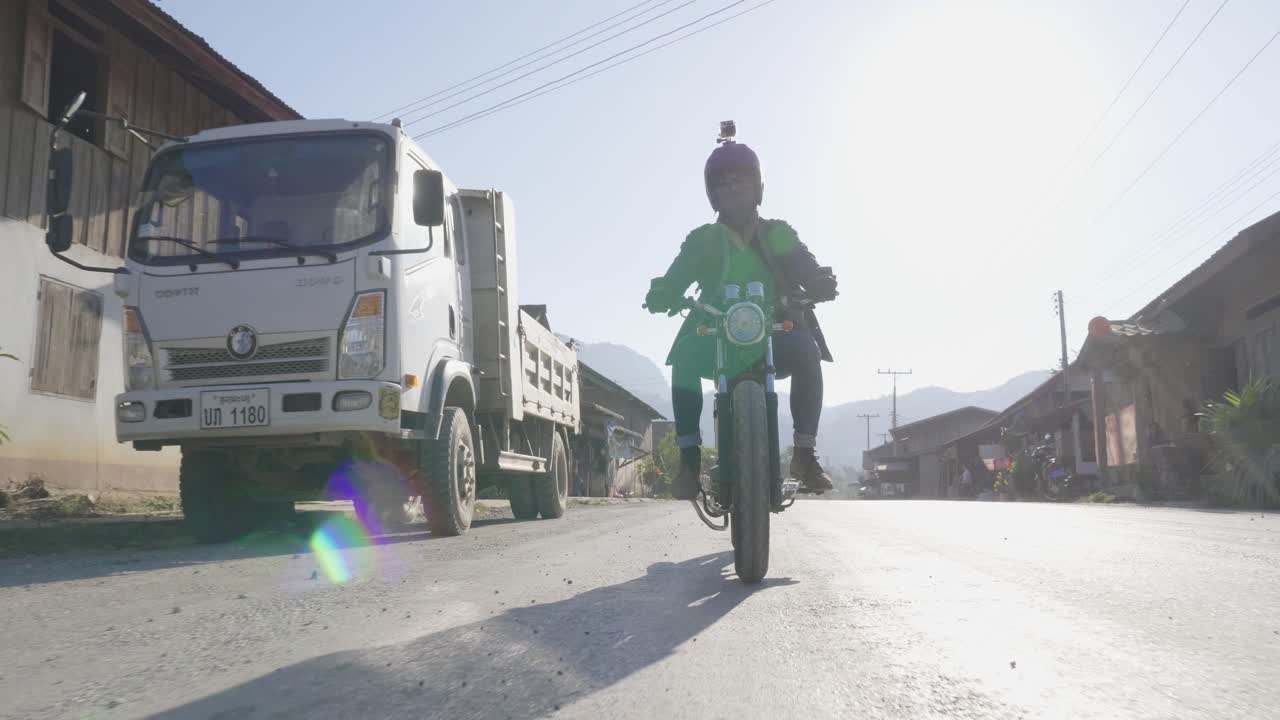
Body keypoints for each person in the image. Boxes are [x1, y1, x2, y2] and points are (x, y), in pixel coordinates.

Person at [643, 131, 838, 500]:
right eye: (723, 183)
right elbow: (678, 273)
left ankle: (804, 453)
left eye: (741, 181)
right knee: (683, 356)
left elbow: (804, 264)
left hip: (775, 330)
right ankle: (689, 458)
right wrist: (664, 290)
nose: (732, 188)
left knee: (806, 350)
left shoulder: (779, 233)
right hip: (715, 330)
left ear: (758, 187)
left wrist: (817, 279)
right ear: (712, 194)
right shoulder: (702, 239)